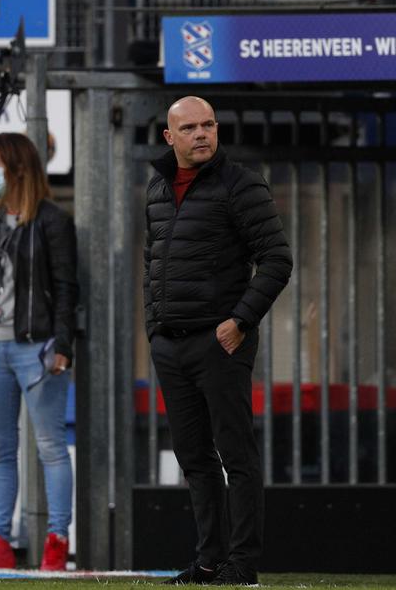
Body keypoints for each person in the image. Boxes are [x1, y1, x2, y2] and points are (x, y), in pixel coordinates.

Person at [144, 96, 292, 586]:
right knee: (194, 458)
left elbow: (276, 260)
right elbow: (154, 265)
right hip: (171, 346)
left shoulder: (241, 184)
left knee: (236, 456)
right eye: (189, 128)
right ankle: (209, 561)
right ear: (170, 137)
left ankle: (242, 563)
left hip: (221, 341)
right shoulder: (158, 188)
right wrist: (154, 330)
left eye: (208, 124)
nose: (202, 134)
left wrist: (239, 321)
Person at [0, 132, 78, 571]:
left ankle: (57, 542)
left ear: (17, 168)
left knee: (50, 446)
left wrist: (64, 345)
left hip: (37, 349)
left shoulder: (51, 221)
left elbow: (66, 288)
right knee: (0, 449)